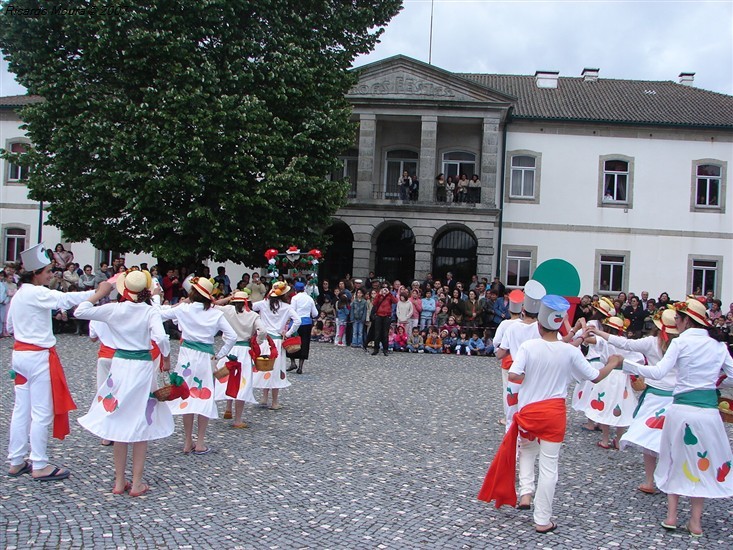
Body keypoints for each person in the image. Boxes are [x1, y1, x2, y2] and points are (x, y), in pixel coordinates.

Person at [478, 295, 620, 533]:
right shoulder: (569, 351)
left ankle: (525, 491)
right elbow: (595, 376)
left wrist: (527, 380)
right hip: (554, 414)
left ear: (539, 324)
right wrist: (613, 363)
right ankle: (542, 519)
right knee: (549, 466)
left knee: (526, 451)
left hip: (529, 411)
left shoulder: (528, 347)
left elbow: (514, 376)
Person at [622, 298, 733, 536]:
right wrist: (713, 380)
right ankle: (695, 522)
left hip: (681, 410)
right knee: (703, 461)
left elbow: (660, 371)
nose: (676, 325)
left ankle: (671, 516)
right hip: (709, 413)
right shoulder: (718, 347)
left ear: (685, 321)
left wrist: (629, 365)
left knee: (674, 458)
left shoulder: (680, 343)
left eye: (678, 320)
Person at [76, 270, 172, 496]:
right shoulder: (150, 312)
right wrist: (166, 358)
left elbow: (81, 311)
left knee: (119, 419)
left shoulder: (114, 309)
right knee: (140, 421)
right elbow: (161, 338)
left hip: (120, 366)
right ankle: (136, 483)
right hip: (141, 367)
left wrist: (98, 293)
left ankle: (120, 481)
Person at [6, 244, 98, 481]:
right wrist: (98, 292)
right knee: (41, 412)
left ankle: (16, 460)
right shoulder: (37, 292)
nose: (51, 275)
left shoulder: (19, 295)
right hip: (38, 356)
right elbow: (65, 299)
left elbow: (10, 327)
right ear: (36, 273)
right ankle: (39, 463)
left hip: (20, 354)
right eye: (47, 271)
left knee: (21, 410)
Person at [587, 308, 679, 494]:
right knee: (672, 440)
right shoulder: (683, 344)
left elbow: (625, 344)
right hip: (677, 397)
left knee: (649, 439)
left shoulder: (651, 342)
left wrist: (598, 332)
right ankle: (669, 480)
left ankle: (649, 481)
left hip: (655, 396)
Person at [162, 277, 237, 454]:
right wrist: (220, 355)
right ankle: (200, 441)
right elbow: (232, 336)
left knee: (186, 395)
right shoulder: (215, 313)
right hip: (206, 357)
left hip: (186, 356)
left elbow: (159, 314)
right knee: (204, 396)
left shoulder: (183, 309)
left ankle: (187, 441)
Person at [214, 291, 267, 427]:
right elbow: (263, 331)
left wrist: (228, 298)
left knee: (228, 377)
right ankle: (238, 419)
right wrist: (258, 341)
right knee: (241, 382)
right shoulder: (253, 315)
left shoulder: (228, 310)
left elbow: (213, 304)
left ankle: (227, 408)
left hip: (229, 348)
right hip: (244, 350)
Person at [252, 281, 300, 410]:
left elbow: (250, 307)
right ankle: (274, 401)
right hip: (277, 341)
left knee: (264, 366)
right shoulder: (287, 307)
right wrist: (288, 333)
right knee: (276, 369)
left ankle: (264, 397)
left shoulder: (263, 304)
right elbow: (298, 321)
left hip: (263, 339)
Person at [287, 282, 318, 374]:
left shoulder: (295, 298)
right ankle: (300, 366)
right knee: (304, 343)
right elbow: (315, 313)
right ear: (304, 289)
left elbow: (291, 310)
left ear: (295, 290)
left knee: (292, 342)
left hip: (296, 323)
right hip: (306, 323)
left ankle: (292, 362)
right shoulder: (310, 298)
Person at [371, 285, 397, 356]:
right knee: (377, 333)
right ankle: (376, 349)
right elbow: (374, 303)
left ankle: (385, 349)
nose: (384, 291)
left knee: (385, 334)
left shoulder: (389, 296)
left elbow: (395, 301)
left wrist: (389, 294)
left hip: (387, 316)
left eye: (386, 289)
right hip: (379, 316)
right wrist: (379, 295)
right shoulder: (379, 296)